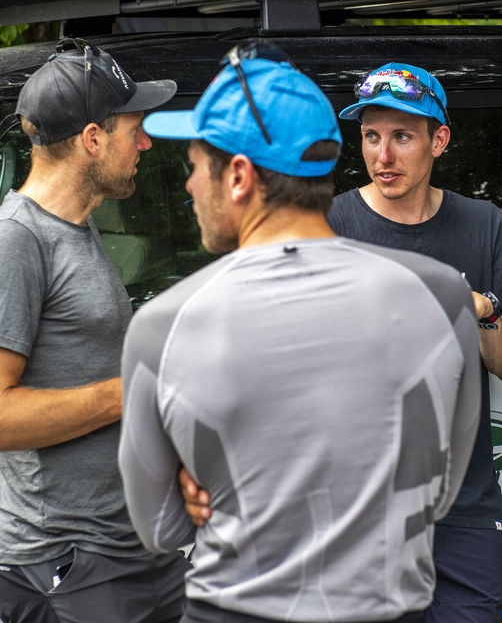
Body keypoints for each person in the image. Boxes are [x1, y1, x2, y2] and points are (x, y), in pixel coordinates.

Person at [117, 45, 482, 623]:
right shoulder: (442, 297)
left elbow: (160, 529)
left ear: (238, 176)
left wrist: (215, 480)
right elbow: (438, 493)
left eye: (193, 165)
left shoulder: (164, 323)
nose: (188, 186)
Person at [0, 38, 187, 623]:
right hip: (65, 564)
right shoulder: (13, 240)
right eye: (136, 128)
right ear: (92, 139)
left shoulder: (77, 231)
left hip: (125, 551)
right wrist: (131, 392)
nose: (147, 143)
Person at [329, 63, 502, 622]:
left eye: (402, 136)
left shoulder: (484, 224)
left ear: (438, 140)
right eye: (372, 136)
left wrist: (478, 313)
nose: (383, 156)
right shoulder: (330, 225)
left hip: (466, 512)